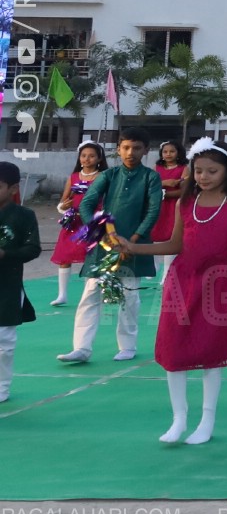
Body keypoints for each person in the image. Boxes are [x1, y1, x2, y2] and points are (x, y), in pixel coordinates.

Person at [118, 139, 227, 442]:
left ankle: (207, 420)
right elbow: (174, 244)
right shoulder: (185, 203)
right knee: (174, 348)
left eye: (212, 171)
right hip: (182, 282)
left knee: (212, 352)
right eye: (198, 171)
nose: (204, 177)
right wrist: (134, 247)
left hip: (221, 285)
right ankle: (178, 419)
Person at [58, 130, 162, 366]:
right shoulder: (109, 175)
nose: (130, 153)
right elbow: (87, 203)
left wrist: (133, 239)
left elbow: (154, 210)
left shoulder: (150, 177)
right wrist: (99, 231)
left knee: (129, 295)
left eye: (136, 148)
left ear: (145, 150)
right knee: (90, 293)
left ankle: (127, 346)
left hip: (133, 246)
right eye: (125, 147)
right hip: (104, 245)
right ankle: (81, 348)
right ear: (118, 149)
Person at [0, 162, 41, 404]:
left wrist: (6, 255)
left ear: (14, 188)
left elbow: (33, 248)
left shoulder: (24, 216)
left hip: (7, 286)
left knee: (4, 340)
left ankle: (2, 387)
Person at [48, 141, 107, 307]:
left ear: (99, 158)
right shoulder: (73, 177)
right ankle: (62, 295)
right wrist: (63, 207)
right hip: (73, 223)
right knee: (64, 257)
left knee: (92, 258)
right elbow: (63, 202)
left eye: (91, 156)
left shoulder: (103, 177)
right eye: (84, 155)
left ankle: (93, 293)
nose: (87, 159)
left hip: (93, 222)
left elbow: (107, 199)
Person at [151, 140, 188, 288]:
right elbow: (151, 185)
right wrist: (167, 182)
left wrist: (167, 193)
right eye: (165, 152)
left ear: (178, 153)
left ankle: (167, 275)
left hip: (175, 207)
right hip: (159, 207)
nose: (168, 154)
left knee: (171, 237)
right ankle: (154, 265)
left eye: (172, 151)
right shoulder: (157, 168)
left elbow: (185, 190)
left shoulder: (184, 169)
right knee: (154, 235)